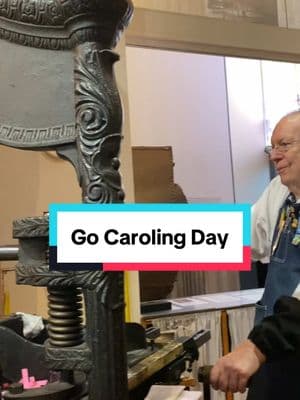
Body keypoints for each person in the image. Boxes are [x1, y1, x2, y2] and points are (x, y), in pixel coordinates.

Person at [210, 111, 300, 399]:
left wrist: (255, 347)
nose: (275, 156)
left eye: (284, 145)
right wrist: (128, 236)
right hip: (274, 355)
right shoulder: (280, 193)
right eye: (272, 147)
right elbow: (240, 237)